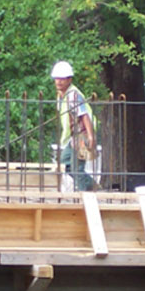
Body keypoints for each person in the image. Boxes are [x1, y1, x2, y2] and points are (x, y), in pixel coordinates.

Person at [52, 60, 96, 192]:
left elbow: (84, 115)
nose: (59, 81)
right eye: (57, 78)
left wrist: (90, 136)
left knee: (77, 168)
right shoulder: (61, 95)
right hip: (73, 136)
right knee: (65, 163)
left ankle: (84, 194)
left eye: (62, 79)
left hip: (82, 134)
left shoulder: (73, 95)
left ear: (69, 79)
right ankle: (92, 186)